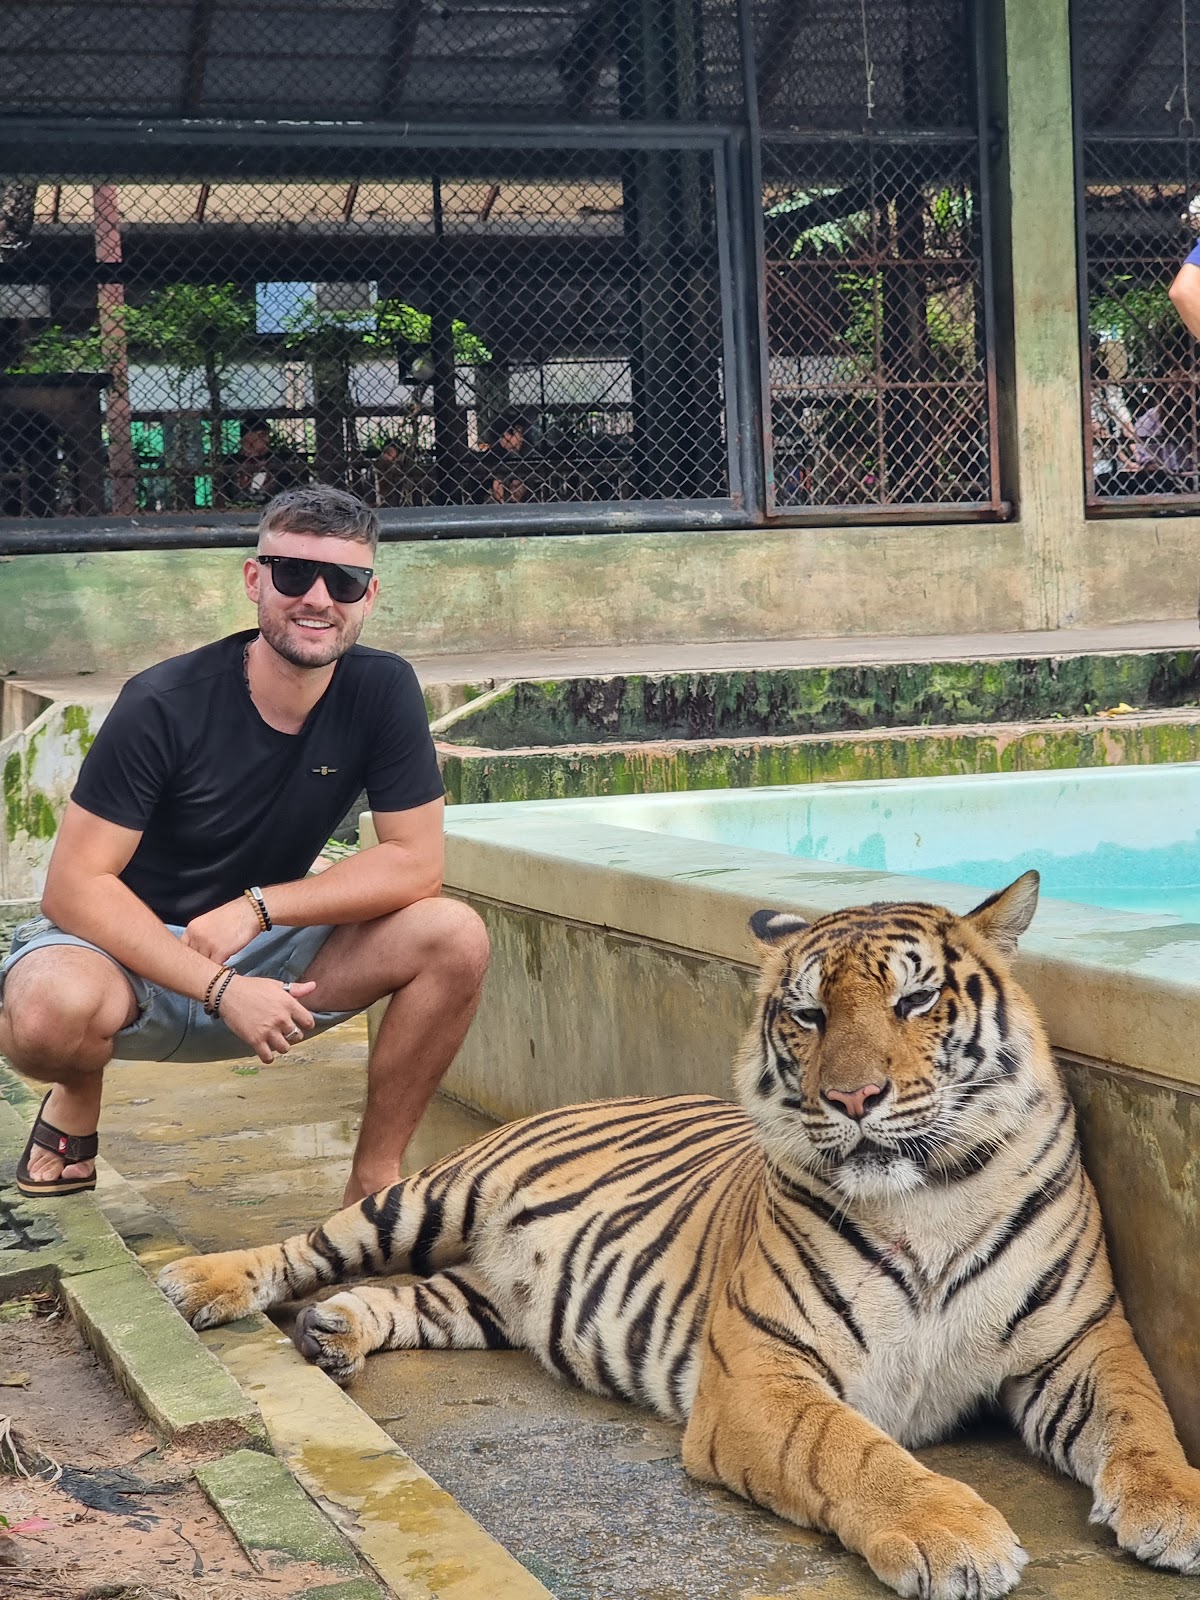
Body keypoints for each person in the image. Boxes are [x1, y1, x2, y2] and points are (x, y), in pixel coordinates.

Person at [0, 485, 490, 1207]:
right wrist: (221, 989)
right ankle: (78, 1089)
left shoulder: (383, 688)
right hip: (123, 955)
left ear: (369, 595)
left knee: (455, 934)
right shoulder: (162, 701)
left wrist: (258, 908)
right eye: (294, 574)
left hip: (268, 948)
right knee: (45, 1011)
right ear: (255, 579)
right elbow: (73, 887)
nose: (317, 598)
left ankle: (373, 1177)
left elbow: (416, 864)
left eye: (343, 580)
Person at [216, 417, 307, 507]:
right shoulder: (230, 462)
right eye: (262, 435)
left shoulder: (279, 461)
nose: (267, 440)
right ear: (247, 437)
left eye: (268, 435)